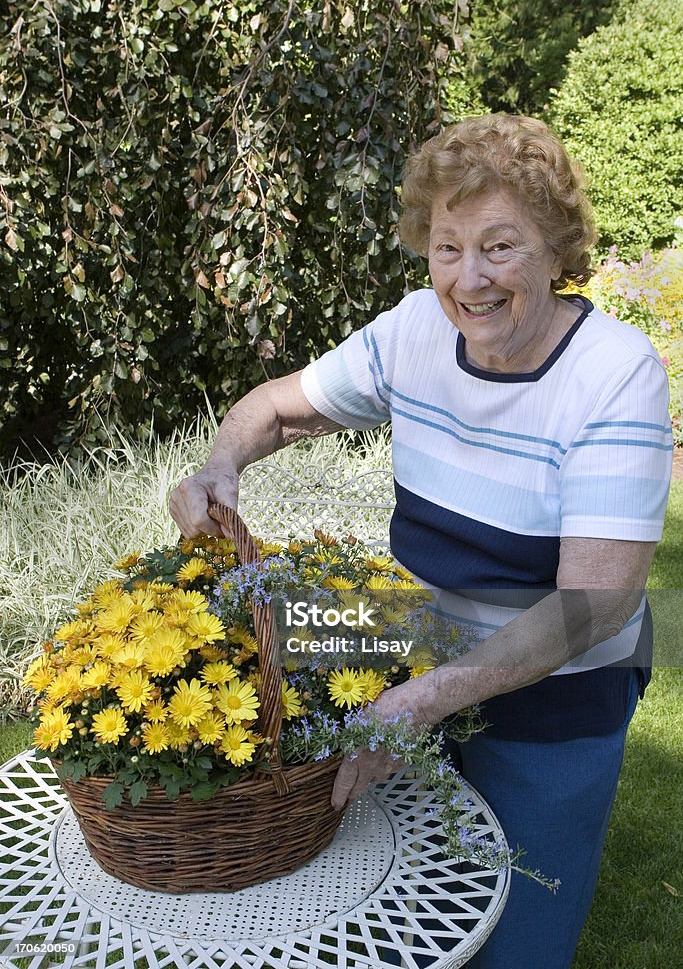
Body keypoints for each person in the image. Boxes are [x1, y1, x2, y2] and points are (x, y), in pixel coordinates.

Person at [169, 114, 673, 968]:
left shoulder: (614, 374)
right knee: (393, 924)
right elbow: (280, 406)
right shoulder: (413, 331)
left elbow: (597, 600)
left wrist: (417, 704)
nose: (467, 278)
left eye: (499, 247)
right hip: (408, 649)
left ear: (557, 252)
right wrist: (221, 465)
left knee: (515, 935)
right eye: (446, 247)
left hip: (553, 702)